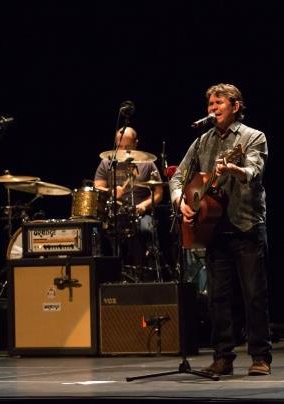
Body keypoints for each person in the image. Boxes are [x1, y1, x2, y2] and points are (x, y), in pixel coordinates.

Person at [169, 83, 272, 376]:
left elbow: (254, 172)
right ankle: (223, 356)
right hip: (211, 228)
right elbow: (178, 177)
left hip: (246, 224)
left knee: (254, 294)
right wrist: (180, 202)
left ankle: (260, 356)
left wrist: (234, 170)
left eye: (218, 103)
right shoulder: (202, 142)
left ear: (235, 106)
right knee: (218, 296)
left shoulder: (253, 137)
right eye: (209, 105)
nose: (212, 109)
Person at [94, 127, 163, 279]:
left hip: (139, 212)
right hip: (114, 212)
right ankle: (108, 275)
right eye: (120, 147)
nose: (124, 151)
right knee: (97, 232)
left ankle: (147, 272)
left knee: (146, 229)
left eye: (128, 147)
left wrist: (144, 206)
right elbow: (97, 186)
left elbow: (158, 193)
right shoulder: (107, 162)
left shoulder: (147, 163)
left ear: (136, 143)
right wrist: (111, 191)